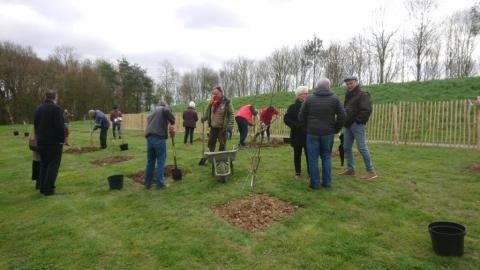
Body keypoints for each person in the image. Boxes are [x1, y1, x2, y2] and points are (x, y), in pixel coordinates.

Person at [299, 79, 346, 189]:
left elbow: (301, 115)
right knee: (326, 156)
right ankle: (327, 182)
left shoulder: (309, 98)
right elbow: (343, 116)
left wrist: (307, 128)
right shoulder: (335, 99)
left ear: (316, 87)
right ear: (328, 86)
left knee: (313, 158)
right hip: (327, 133)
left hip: (312, 133)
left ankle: (314, 184)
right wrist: (336, 129)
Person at [339, 76, 378, 180]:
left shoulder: (363, 95)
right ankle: (350, 169)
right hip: (347, 125)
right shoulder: (348, 95)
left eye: (351, 83)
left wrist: (357, 121)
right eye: (347, 84)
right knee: (346, 147)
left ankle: (371, 171)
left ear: (356, 82)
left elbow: (366, 110)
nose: (349, 85)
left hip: (357, 125)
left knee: (362, 147)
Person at [34, 90, 65, 196]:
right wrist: (62, 140)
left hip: (41, 142)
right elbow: (60, 127)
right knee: (53, 165)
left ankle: (42, 187)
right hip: (53, 143)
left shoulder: (39, 108)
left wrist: (38, 138)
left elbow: (36, 125)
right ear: (55, 97)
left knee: (44, 164)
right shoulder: (56, 109)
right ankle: (48, 189)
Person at [144, 101, 176, 190]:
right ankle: (160, 184)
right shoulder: (163, 109)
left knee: (150, 161)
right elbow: (166, 110)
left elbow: (148, 119)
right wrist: (172, 120)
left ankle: (148, 183)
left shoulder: (153, 112)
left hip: (149, 138)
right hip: (158, 138)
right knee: (161, 161)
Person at [284, 86, 310, 180]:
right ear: (299, 95)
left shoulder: (309, 105)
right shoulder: (293, 107)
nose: (307, 95)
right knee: (297, 154)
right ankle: (297, 172)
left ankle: (310, 173)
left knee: (309, 154)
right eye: (305, 94)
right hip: (296, 135)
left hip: (307, 134)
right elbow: (286, 119)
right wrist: (296, 125)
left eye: (307, 93)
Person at [201, 86, 234, 152]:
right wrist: (203, 118)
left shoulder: (227, 102)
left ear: (221, 93)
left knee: (222, 144)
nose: (215, 95)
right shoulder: (212, 102)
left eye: (216, 94)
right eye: (214, 94)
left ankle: (221, 159)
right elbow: (208, 112)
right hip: (213, 127)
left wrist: (230, 125)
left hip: (222, 127)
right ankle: (211, 156)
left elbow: (231, 114)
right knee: (211, 142)